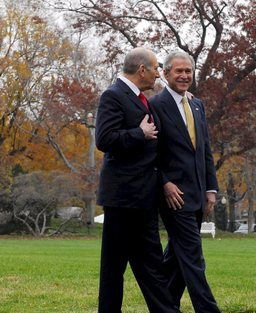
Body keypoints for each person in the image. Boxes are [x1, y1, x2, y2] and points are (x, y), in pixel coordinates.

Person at [95, 47, 179, 313]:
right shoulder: (113, 96)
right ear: (142, 69)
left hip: (144, 198)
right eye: (156, 68)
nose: (158, 73)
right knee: (114, 268)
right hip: (122, 199)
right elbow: (104, 140)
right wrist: (138, 133)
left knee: (152, 264)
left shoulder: (142, 99)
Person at [150, 51, 221, 313]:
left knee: (177, 257)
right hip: (174, 195)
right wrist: (164, 183)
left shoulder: (197, 105)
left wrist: (210, 189)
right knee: (193, 255)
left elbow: (204, 150)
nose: (184, 75)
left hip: (198, 194)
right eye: (178, 71)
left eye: (188, 71)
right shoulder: (155, 106)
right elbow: (151, 153)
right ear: (165, 73)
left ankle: (165, 306)